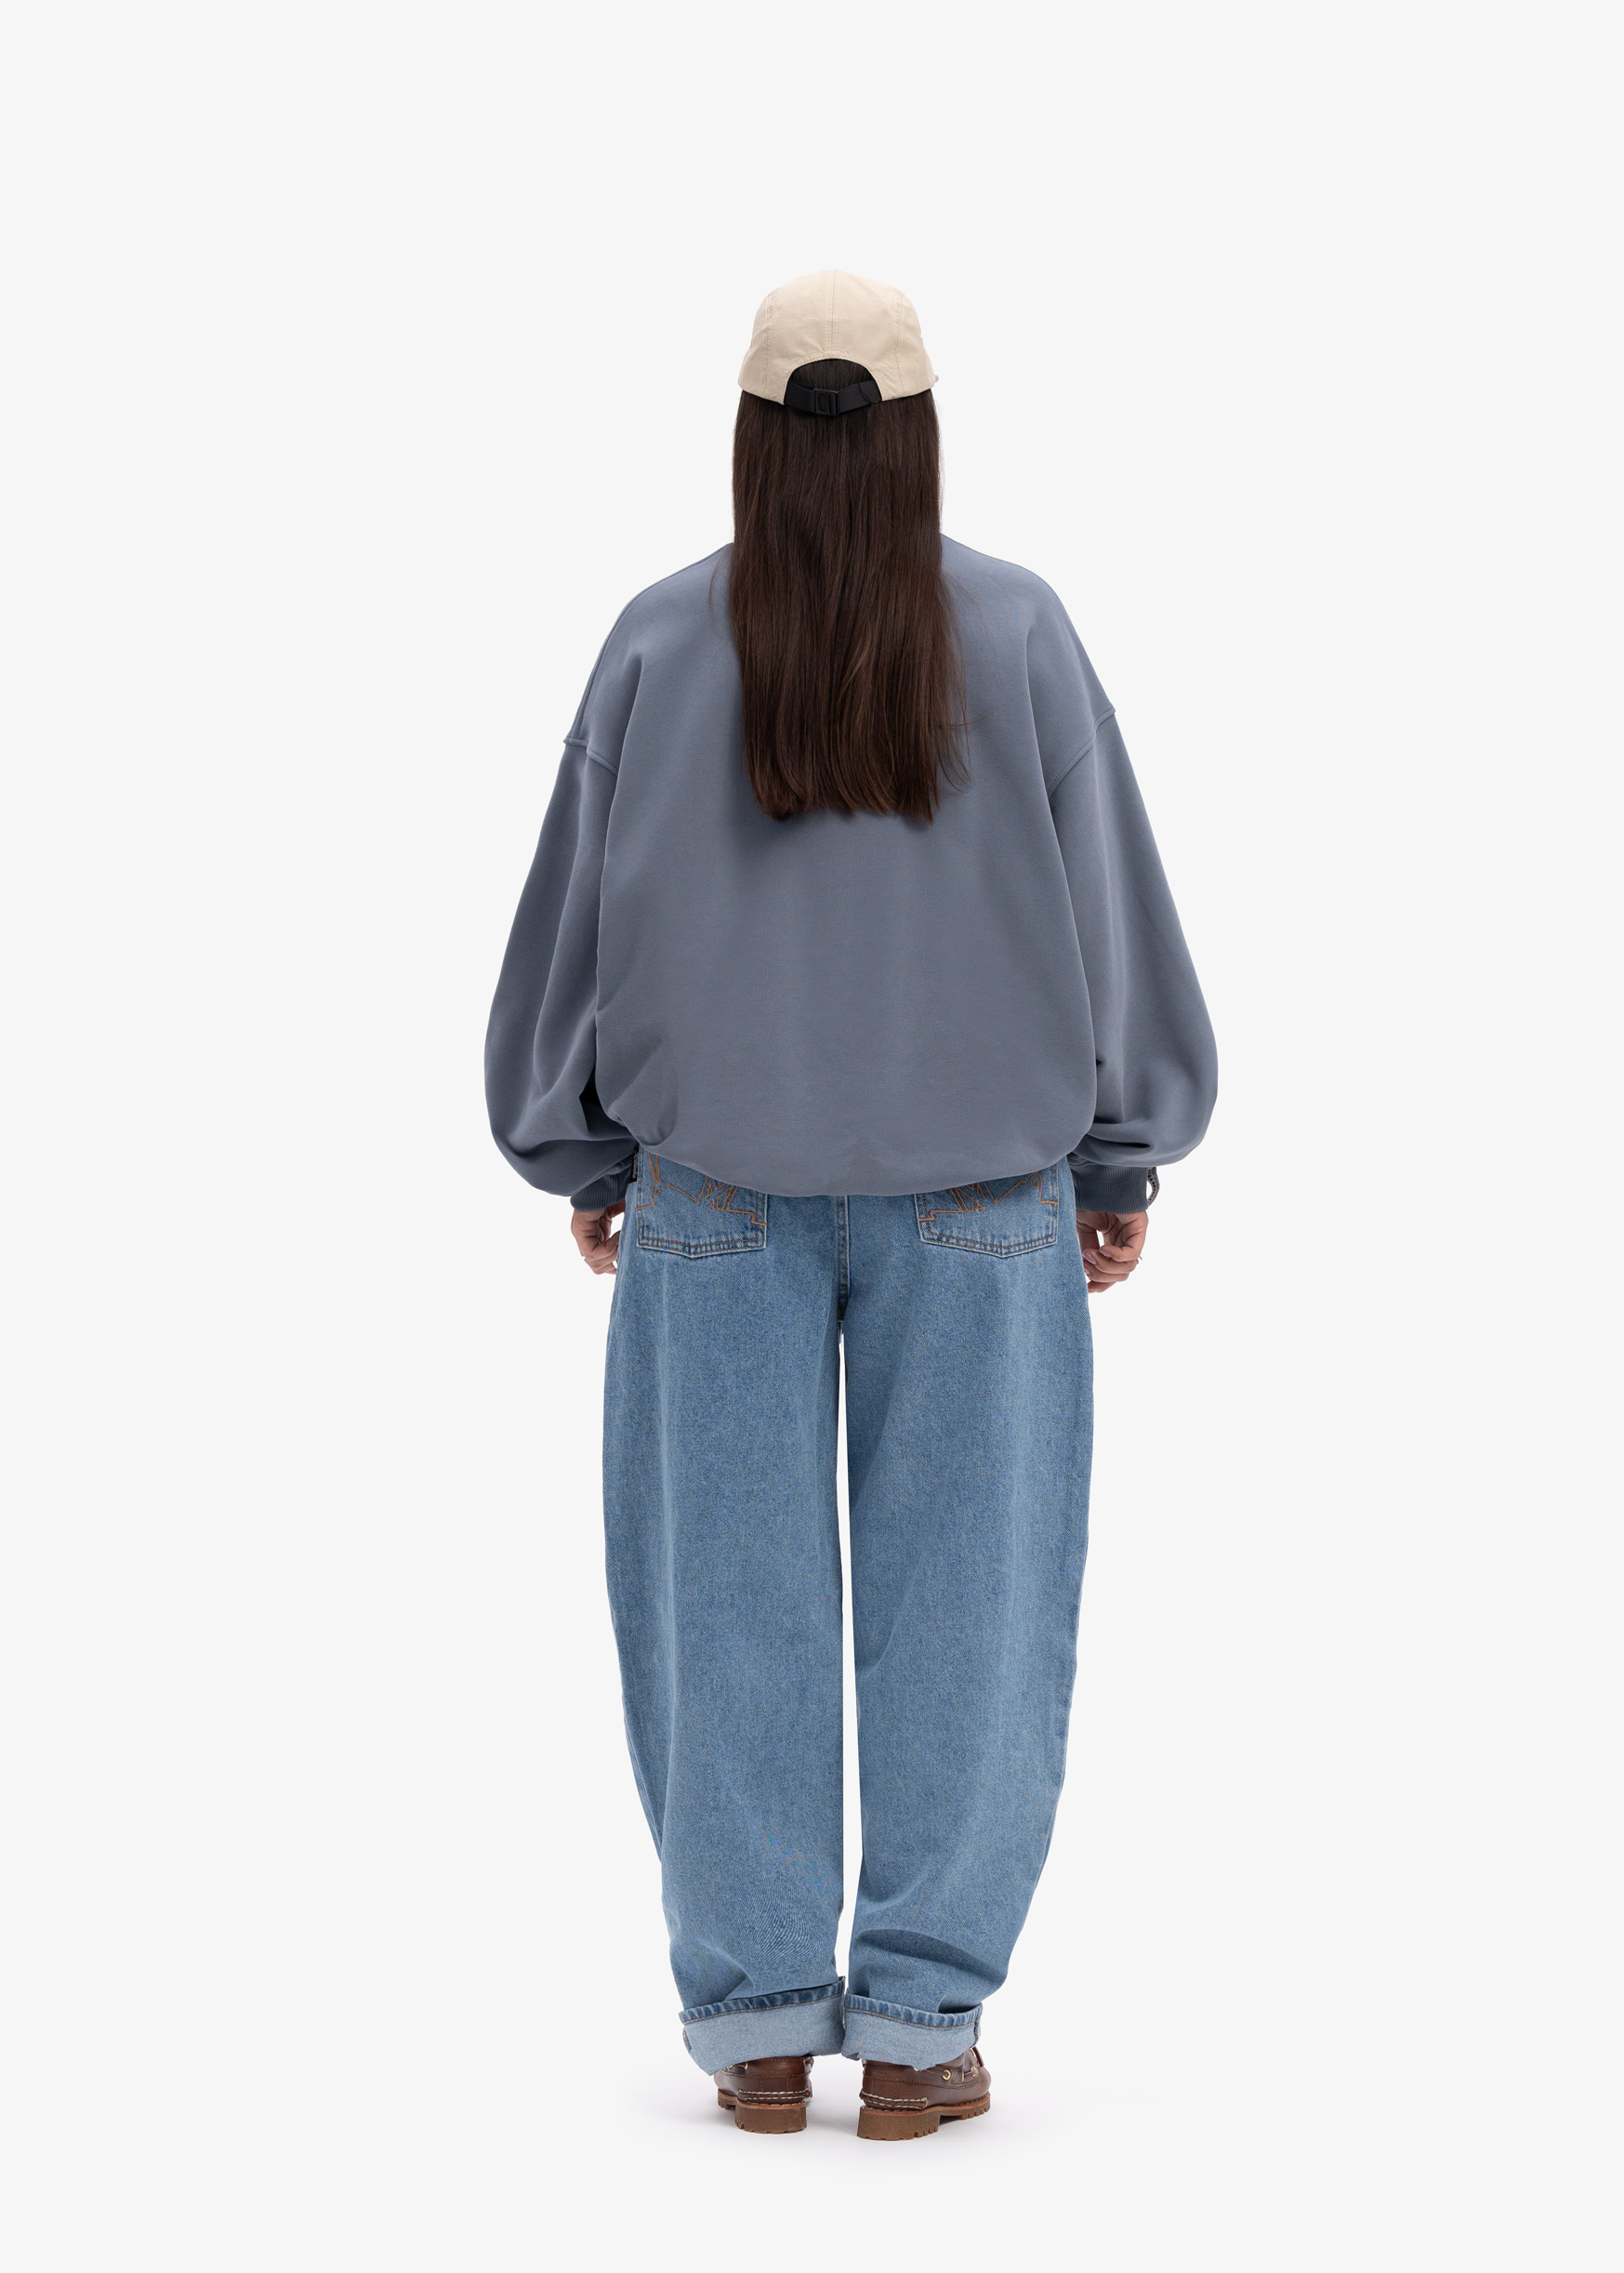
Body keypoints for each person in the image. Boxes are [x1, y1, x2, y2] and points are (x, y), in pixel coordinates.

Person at [485, 271, 1217, 2140]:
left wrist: (583, 1151)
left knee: (719, 1608)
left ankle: (752, 2025)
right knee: (973, 1614)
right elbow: (1112, 904)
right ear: (919, 434)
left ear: (749, 436)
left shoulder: (656, 640)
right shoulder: (1021, 630)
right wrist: (1119, 1156)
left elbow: (570, 916)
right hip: (983, 1206)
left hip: (713, 1199)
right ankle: (918, 2026)